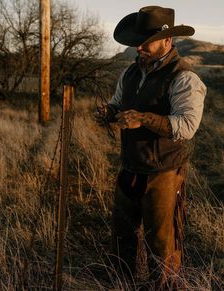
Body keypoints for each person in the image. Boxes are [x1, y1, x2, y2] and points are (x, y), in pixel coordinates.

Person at [97, 5, 206, 290]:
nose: (140, 48)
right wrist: (108, 112)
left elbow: (186, 126)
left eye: (146, 43)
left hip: (164, 173)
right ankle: (121, 284)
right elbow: (118, 102)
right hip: (130, 167)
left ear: (167, 40)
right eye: (137, 42)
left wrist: (143, 118)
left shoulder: (185, 77)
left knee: (163, 244)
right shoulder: (130, 73)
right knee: (122, 238)